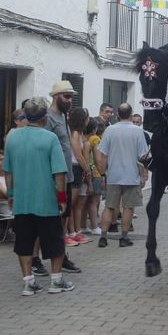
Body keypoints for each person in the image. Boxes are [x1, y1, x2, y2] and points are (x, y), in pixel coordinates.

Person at [4, 97, 74, 296]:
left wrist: (11, 193)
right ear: (44, 118)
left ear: (26, 115)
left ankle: (28, 282)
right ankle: (56, 280)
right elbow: (59, 173)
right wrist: (61, 198)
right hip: (46, 200)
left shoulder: (13, 138)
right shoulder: (50, 138)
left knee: (24, 242)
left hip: (22, 200)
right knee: (54, 241)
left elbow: (8, 171)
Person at [97, 103, 148, 248]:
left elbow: (103, 154)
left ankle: (103, 237)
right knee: (128, 207)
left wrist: (103, 173)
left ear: (117, 115)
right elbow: (143, 156)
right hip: (131, 175)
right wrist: (143, 175)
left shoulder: (110, 130)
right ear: (131, 115)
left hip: (114, 174)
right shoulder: (138, 131)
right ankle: (124, 237)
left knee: (109, 206)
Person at [44, 80, 81, 273]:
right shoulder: (49, 118)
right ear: (55, 96)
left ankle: (62, 256)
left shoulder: (64, 117)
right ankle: (38, 259)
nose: (70, 100)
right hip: (54, 177)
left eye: (71, 97)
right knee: (50, 221)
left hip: (66, 176)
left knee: (63, 220)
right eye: (66, 96)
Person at [67, 107, 91, 245]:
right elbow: (78, 155)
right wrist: (86, 169)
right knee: (71, 202)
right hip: (75, 168)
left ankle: (73, 231)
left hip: (77, 168)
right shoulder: (75, 134)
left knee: (74, 202)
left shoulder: (78, 133)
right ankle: (69, 232)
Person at [81, 117, 103, 235]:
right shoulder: (95, 139)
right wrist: (102, 172)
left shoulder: (83, 139)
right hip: (95, 173)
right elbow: (98, 159)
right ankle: (95, 226)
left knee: (85, 202)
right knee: (94, 201)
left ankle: (83, 225)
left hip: (86, 172)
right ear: (94, 129)